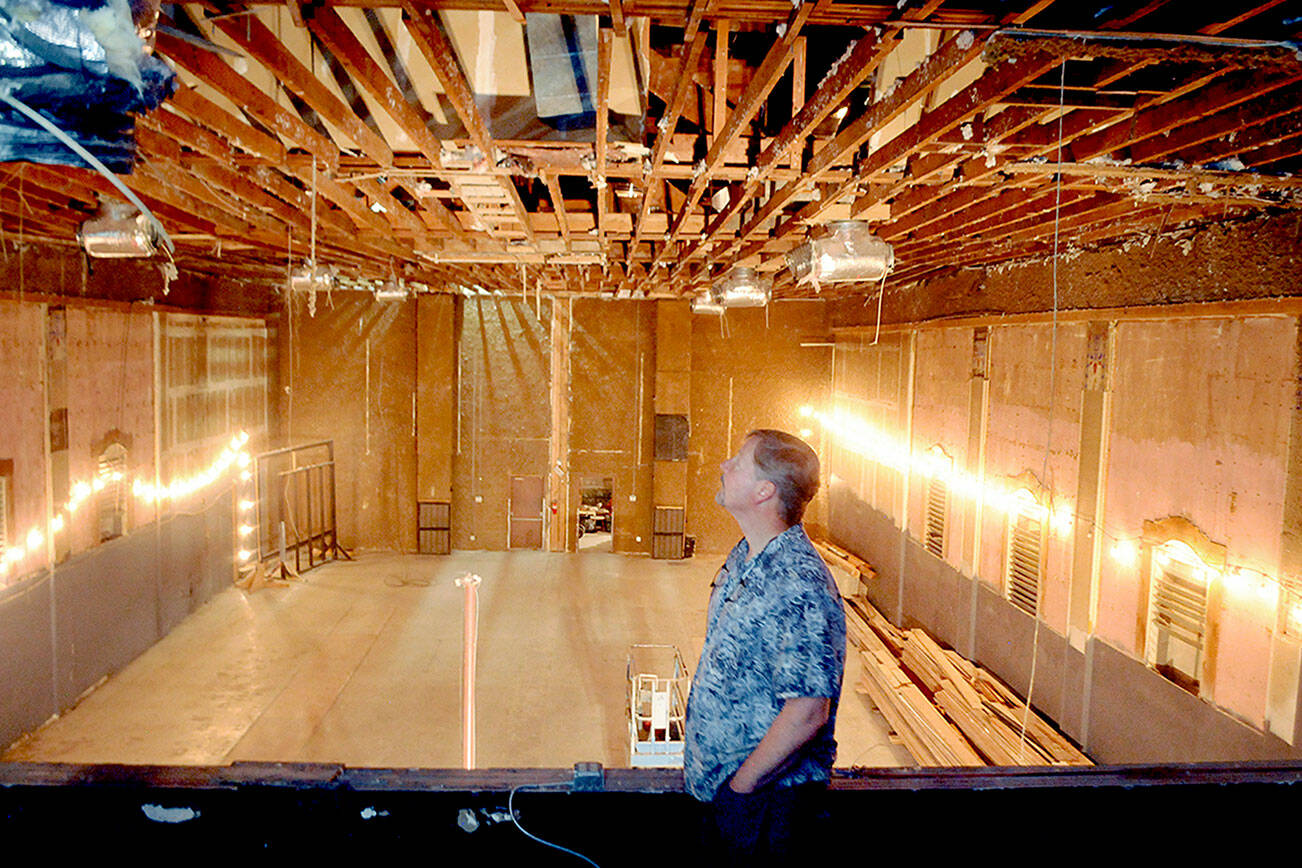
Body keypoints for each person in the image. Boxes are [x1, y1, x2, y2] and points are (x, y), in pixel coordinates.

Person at [683, 428, 846, 861]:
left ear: (764, 491)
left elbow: (808, 710)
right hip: (730, 797)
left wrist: (742, 788)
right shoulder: (750, 556)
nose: (724, 466)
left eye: (738, 461)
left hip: (767, 811)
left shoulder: (797, 582)